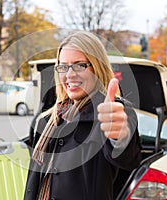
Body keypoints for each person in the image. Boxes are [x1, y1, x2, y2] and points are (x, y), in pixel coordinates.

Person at [24, 31, 142, 200]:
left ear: (97, 67)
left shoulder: (111, 111)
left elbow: (128, 158)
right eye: (63, 66)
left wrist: (120, 137)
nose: (70, 74)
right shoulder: (50, 118)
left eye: (79, 65)